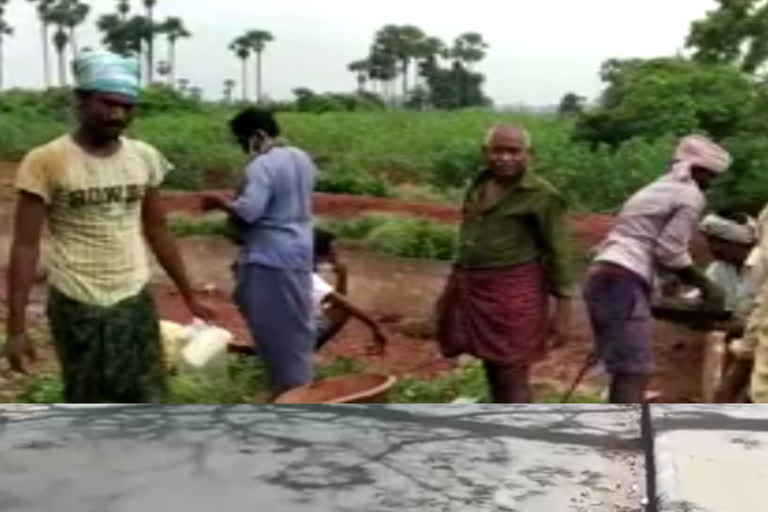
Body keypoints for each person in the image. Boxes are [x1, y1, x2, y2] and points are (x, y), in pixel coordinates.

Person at [4, 50, 213, 403]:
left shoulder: (143, 157)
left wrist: (190, 295)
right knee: (88, 401)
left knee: (147, 395)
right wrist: (16, 327)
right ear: (80, 101)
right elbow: (26, 246)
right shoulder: (46, 161)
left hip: (132, 297)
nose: (118, 114)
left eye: (127, 107)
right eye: (108, 103)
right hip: (77, 300)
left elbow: (158, 230)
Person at [583, 135, 731, 404]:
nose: (710, 185)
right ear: (700, 171)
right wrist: (706, 285)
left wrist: (665, 283)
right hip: (622, 277)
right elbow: (669, 249)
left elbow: (648, 240)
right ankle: (623, 440)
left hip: (607, 273)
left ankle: (618, 436)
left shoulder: (658, 187)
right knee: (633, 370)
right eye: (710, 178)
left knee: (627, 367)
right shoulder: (689, 195)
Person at [436, 123, 574, 403]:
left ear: (528, 154)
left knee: (511, 368)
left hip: (512, 294)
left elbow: (558, 251)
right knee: (491, 364)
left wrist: (563, 311)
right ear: (485, 152)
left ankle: (520, 437)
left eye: (514, 151)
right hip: (474, 287)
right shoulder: (479, 184)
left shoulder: (541, 195)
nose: (505, 158)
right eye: (498, 151)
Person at [201, 108, 317, 402]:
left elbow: (250, 211)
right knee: (294, 325)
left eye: (244, 142)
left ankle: (289, 394)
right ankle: (293, 387)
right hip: (299, 252)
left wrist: (220, 202)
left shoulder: (262, 166)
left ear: (258, 136)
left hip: (270, 256)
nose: (244, 149)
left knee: (274, 331)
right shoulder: (302, 158)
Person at [312, 228, 388, 354]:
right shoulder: (308, 277)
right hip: (289, 335)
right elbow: (343, 304)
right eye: (331, 249)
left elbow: (338, 302)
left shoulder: (301, 269)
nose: (335, 253)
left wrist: (342, 275)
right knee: (343, 310)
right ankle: (304, 352)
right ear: (320, 254)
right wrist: (375, 326)